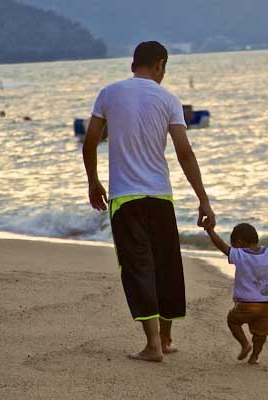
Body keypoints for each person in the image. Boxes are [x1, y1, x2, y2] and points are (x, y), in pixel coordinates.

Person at [83, 41, 215, 363]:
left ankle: (153, 344)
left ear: (133, 66)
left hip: (125, 198)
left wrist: (93, 182)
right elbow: (185, 153)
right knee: (166, 266)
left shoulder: (108, 94)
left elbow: (90, 142)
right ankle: (166, 340)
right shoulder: (169, 100)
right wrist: (203, 199)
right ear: (160, 65)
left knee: (137, 267)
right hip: (160, 196)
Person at [205, 223, 268, 365]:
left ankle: (245, 344)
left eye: (234, 244)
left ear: (239, 242)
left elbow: (222, 246)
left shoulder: (240, 254)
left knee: (232, 320)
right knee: (261, 334)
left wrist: (210, 231)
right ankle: (254, 357)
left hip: (246, 305)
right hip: (266, 306)